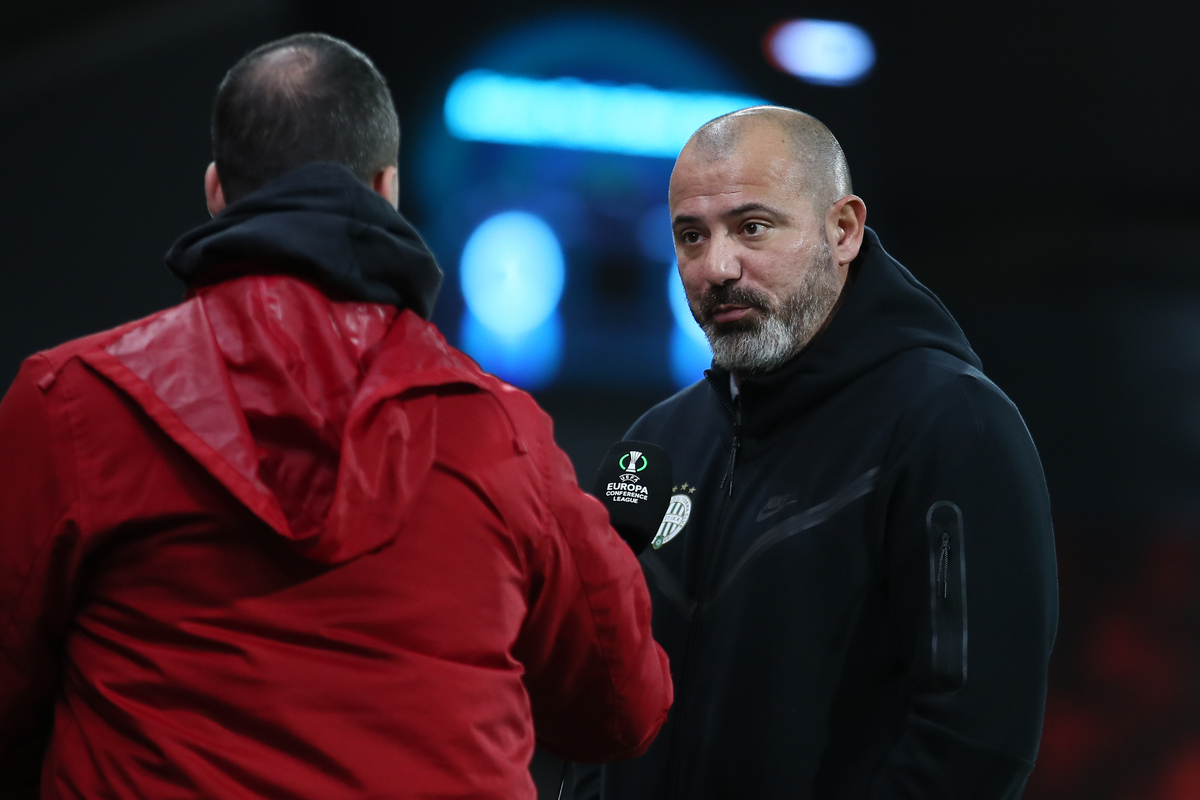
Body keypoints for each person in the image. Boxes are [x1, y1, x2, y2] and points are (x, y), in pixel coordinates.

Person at [0, 33, 671, 799]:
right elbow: (622, 710)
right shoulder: (504, 432)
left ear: (218, 191)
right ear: (387, 189)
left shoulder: (72, 402)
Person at [576, 106, 1058, 799]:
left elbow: (975, 742)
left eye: (752, 227)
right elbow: (601, 708)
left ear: (843, 230)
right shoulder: (656, 446)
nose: (717, 266)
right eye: (691, 236)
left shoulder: (952, 424)